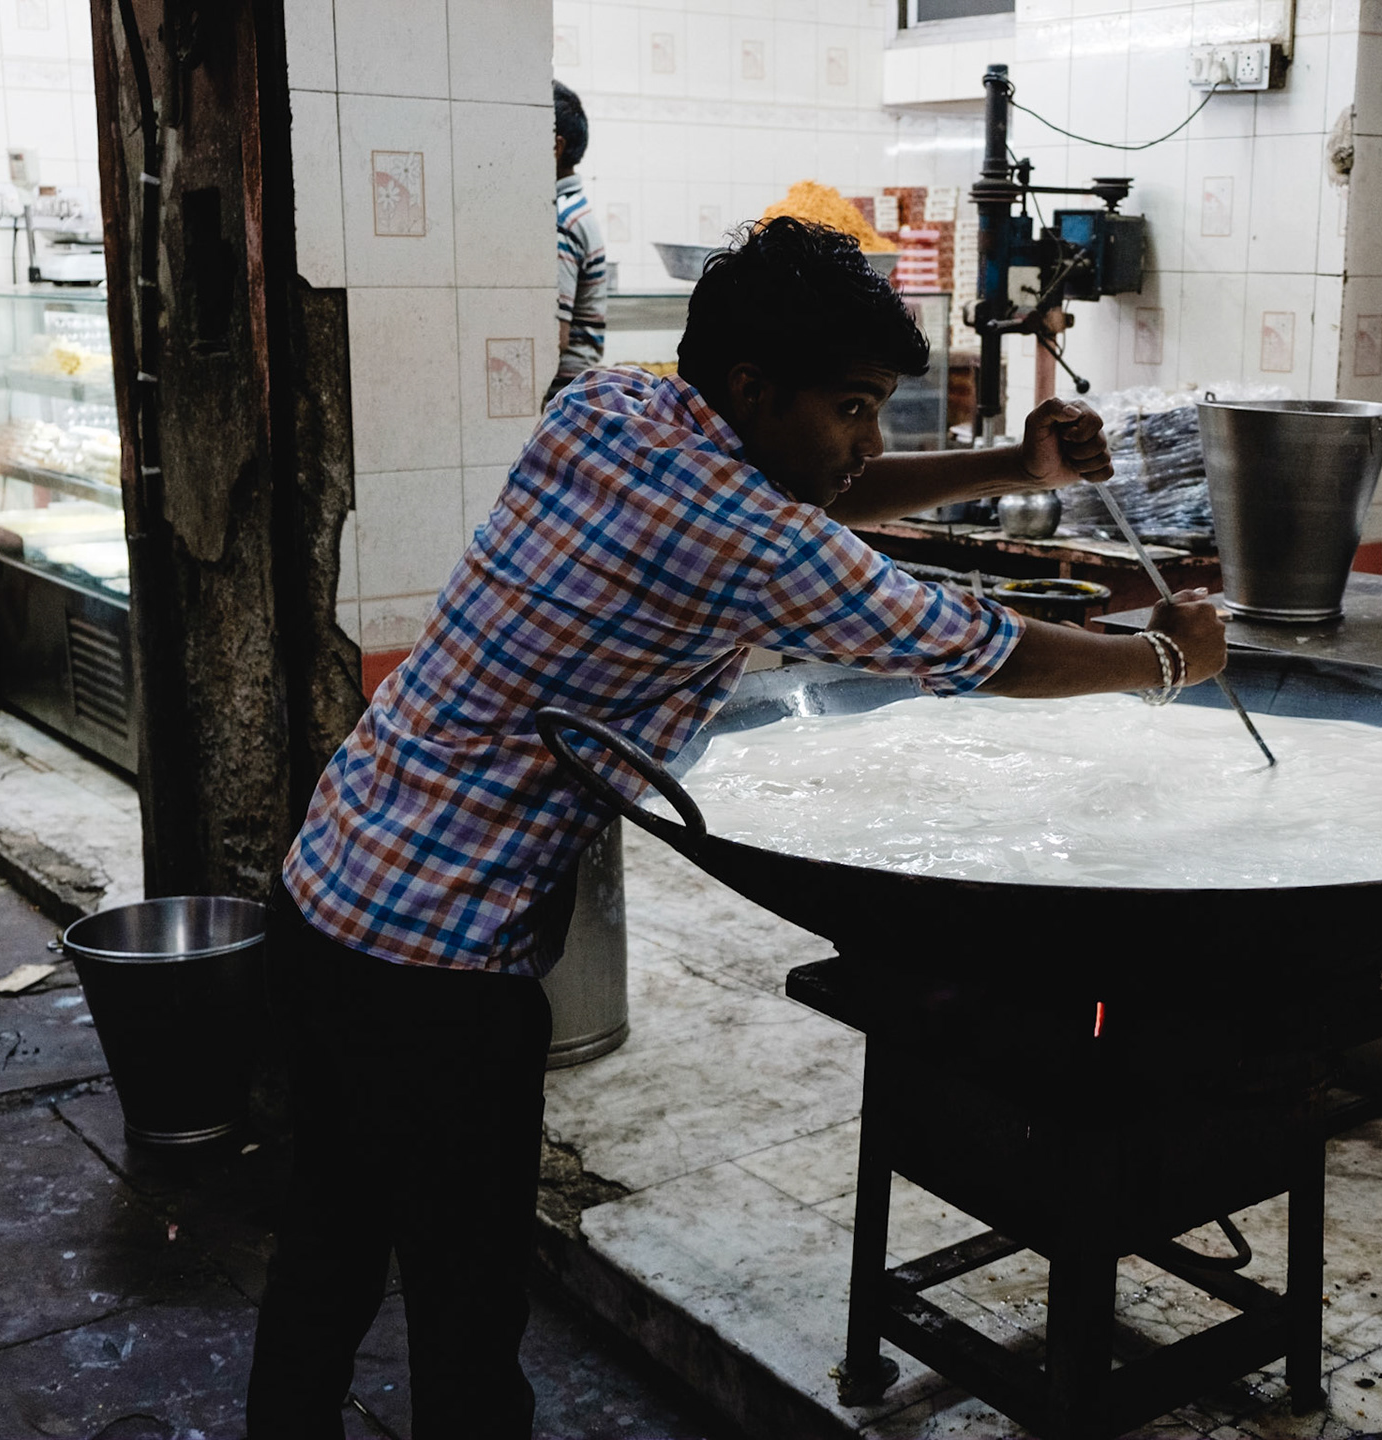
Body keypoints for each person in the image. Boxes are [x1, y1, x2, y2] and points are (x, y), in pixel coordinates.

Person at [245, 217, 1226, 1439]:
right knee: (467, 1312)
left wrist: (1012, 470)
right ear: (753, 389)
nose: (870, 442)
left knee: (328, 1240)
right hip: (438, 972)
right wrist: (1164, 660)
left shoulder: (604, 407)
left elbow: (809, 497)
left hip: (327, 890)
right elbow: (978, 649)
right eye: (853, 408)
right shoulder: (750, 540)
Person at [544, 80, 605, 407]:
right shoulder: (574, 210)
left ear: (556, 147)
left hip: (562, 393)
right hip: (575, 389)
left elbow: (557, 336)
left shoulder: (561, 220)